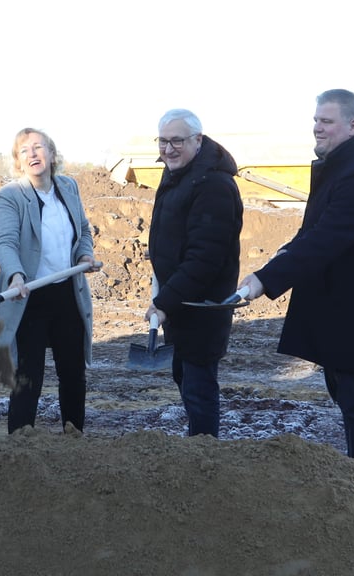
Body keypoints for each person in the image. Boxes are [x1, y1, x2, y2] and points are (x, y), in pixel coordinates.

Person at [237, 89, 354, 471]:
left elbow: (327, 239)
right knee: (349, 399)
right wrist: (284, 253)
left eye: (326, 121)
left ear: (353, 125)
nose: (317, 128)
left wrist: (266, 280)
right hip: (343, 311)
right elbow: (314, 230)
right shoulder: (345, 165)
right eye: (315, 121)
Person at [0, 128, 102, 434]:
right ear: (18, 162)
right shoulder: (11, 196)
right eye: (24, 151)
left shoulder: (68, 187)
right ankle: (21, 443)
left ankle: (73, 436)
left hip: (67, 293)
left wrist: (84, 258)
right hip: (29, 296)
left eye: (38, 147)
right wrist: (15, 275)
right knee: (29, 376)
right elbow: (5, 242)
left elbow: (83, 231)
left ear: (52, 155)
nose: (33, 154)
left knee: (72, 373)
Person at [145, 109, 243, 438]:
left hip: (202, 308)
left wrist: (165, 302)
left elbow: (204, 258)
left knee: (199, 388)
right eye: (163, 141)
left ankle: (205, 457)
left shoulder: (213, 185)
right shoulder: (179, 174)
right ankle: (199, 452)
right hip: (180, 305)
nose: (168, 149)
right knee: (185, 379)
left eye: (177, 141)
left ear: (198, 141)